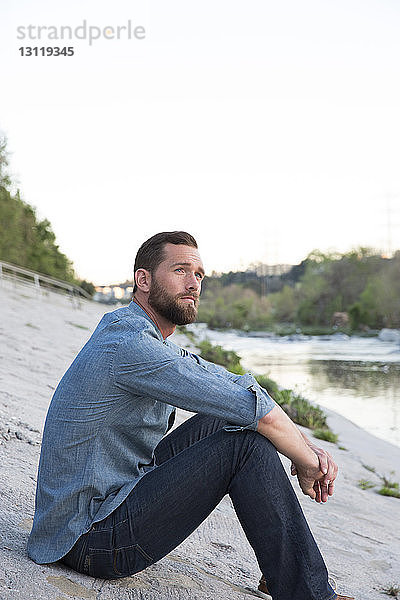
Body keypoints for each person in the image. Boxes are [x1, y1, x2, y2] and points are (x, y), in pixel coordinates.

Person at [28, 231, 354, 600]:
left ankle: (284, 571)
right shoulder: (132, 346)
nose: (193, 283)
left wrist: (305, 444)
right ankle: (308, 593)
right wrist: (308, 460)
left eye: (199, 275)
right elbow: (252, 408)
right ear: (144, 280)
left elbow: (231, 388)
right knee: (243, 444)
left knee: (224, 419)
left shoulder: (138, 333)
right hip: (87, 538)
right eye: (181, 270)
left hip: (108, 497)